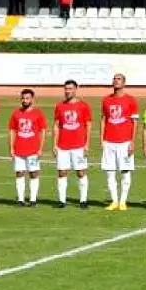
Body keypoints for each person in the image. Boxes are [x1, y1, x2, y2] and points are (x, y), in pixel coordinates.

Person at [101, 74, 139, 211]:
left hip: (124, 142)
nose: (115, 81)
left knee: (125, 171)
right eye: (114, 79)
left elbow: (135, 122)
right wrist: (102, 139)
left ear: (124, 82)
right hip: (109, 142)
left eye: (118, 79)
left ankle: (123, 201)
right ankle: (114, 201)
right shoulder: (106, 100)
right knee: (110, 172)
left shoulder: (131, 100)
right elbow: (103, 120)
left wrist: (132, 141)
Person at [53, 80, 92, 209]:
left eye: (70, 89)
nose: (68, 91)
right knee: (62, 172)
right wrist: (54, 144)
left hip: (78, 146)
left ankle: (83, 200)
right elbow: (56, 126)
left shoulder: (83, 106)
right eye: (66, 89)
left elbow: (88, 125)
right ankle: (62, 201)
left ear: (76, 89)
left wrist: (87, 144)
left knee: (81, 172)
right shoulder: (60, 106)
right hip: (62, 146)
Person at [9, 89, 47, 207]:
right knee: (19, 173)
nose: (25, 101)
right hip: (19, 150)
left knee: (34, 173)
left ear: (32, 99)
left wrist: (40, 148)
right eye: (23, 98)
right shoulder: (16, 113)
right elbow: (12, 131)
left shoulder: (38, 113)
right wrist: (11, 148)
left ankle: (33, 200)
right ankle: (20, 200)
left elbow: (43, 131)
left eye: (27, 98)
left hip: (33, 150)